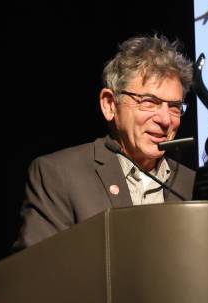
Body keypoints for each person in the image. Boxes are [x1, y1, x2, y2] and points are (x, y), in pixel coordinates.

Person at [13, 35, 195, 251]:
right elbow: (39, 272)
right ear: (109, 105)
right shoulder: (59, 175)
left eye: (174, 107)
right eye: (149, 102)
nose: (165, 120)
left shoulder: (192, 185)